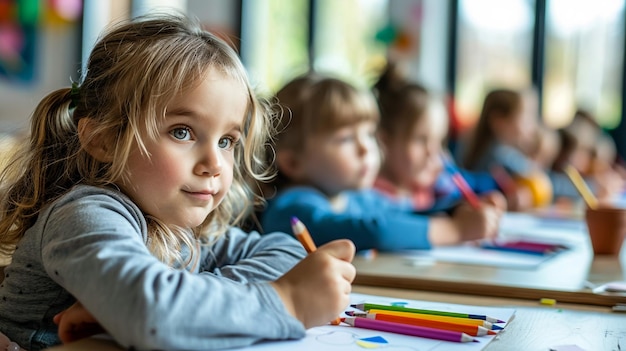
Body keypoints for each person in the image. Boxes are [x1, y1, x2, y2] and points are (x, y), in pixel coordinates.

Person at [0, 15, 356, 351]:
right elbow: (150, 315)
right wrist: (287, 302)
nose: (214, 164)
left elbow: (289, 254)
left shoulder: (177, 230)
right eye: (182, 132)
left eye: (227, 141)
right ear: (102, 140)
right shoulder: (83, 215)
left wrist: (183, 300)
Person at [260, 73, 505, 253]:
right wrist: (456, 230)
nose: (366, 147)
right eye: (346, 138)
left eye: (368, 134)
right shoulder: (291, 209)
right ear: (293, 162)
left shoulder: (359, 199)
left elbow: (406, 214)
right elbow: (375, 231)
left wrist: (457, 210)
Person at [372, 62, 505, 211]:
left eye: (440, 141)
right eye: (421, 140)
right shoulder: (371, 198)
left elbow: (472, 184)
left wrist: (483, 201)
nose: (433, 152)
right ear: (385, 141)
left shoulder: (437, 185)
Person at [459, 88, 599, 207]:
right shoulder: (500, 155)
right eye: (525, 118)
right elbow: (545, 183)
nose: (532, 127)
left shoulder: (494, 151)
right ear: (499, 121)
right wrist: (594, 187)